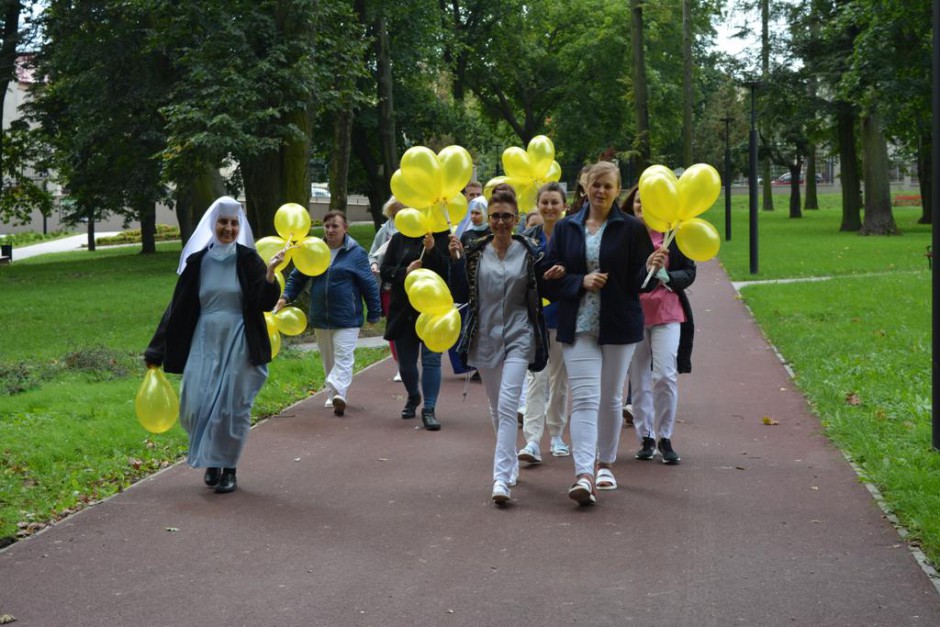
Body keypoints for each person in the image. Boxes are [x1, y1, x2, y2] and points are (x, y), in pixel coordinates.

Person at [539, 161, 666, 506]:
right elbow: (547, 277)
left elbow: (641, 281)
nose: (601, 191)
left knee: (610, 398)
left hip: (619, 324)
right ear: (585, 187)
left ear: (617, 190)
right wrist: (579, 281)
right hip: (577, 324)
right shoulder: (566, 228)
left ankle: (605, 463)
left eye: (608, 186)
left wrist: (653, 267)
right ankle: (584, 473)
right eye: (595, 184)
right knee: (584, 399)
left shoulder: (631, 229)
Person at [144, 196, 284, 494]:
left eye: (234, 223)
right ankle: (211, 459)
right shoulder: (197, 262)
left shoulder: (248, 259)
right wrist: (156, 350)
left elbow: (263, 302)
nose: (229, 229)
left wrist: (270, 273)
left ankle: (228, 468)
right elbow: (177, 308)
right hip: (205, 338)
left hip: (240, 339)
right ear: (213, 224)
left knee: (232, 408)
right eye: (223, 222)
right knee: (195, 403)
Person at [448, 188, 548, 505]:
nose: (501, 222)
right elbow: (460, 291)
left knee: (507, 405)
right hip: (485, 336)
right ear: (488, 219)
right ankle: (509, 462)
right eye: (495, 216)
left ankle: (500, 478)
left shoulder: (530, 251)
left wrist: (556, 276)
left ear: (516, 219)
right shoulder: (475, 251)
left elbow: (543, 285)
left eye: (506, 216)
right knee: (496, 407)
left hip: (520, 334)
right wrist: (454, 261)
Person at [278, 211, 381, 417]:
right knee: (328, 358)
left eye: (335, 226)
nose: (330, 230)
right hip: (320, 315)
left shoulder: (356, 253)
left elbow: (368, 284)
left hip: (347, 316)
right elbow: (297, 276)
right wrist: (285, 296)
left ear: (345, 229)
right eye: (327, 226)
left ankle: (339, 392)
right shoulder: (313, 249)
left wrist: (374, 312)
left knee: (343, 356)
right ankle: (333, 392)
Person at [623, 185, 696, 464]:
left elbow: (689, 271)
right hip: (634, 314)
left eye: (648, 202)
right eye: (638, 202)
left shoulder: (673, 235)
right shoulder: (627, 235)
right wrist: (645, 267)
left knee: (664, 375)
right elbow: (620, 273)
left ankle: (665, 437)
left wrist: (668, 276)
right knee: (639, 379)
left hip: (667, 313)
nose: (642, 206)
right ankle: (646, 437)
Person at [518, 182, 570, 464]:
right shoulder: (527, 239)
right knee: (536, 379)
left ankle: (558, 434)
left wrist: (565, 270)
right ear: (538, 205)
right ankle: (532, 440)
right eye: (545, 203)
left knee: (559, 380)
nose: (549, 207)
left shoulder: (572, 236)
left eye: (554, 202)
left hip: (564, 318)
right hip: (535, 319)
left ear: (564, 206)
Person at [380, 225, 451, 431]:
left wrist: (432, 251)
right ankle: (413, 395)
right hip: (404, 310)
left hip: (433, 310)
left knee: (431, 360)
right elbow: (385, 271)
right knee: (406, 365)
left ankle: (429, 409)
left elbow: (449, 271)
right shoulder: (399, 238)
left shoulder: (444, 237)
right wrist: (405, 271)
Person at [369, 196, 404, 380]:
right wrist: (374, 264)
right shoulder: (385, 230)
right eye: (394, 213)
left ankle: (409, 361)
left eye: (401, 211)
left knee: (409, 326)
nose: (397, 216)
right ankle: (400, 364)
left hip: (410, 285)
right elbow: (372, 254)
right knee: (392, 325)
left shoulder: (418, 229)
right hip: (389, 286)